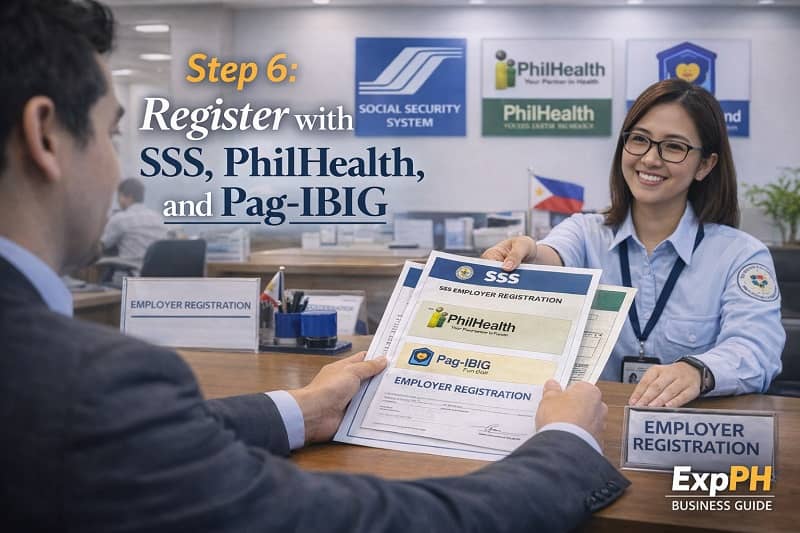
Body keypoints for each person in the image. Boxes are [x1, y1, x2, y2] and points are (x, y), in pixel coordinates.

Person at [0, 1, 628, 531]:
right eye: (113, 134)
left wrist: (303, 408)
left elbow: (131, 440)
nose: (117, 168)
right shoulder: (86, 383)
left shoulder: (66, 389)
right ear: (46, 135)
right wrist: (565, 446)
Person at [484, 79, 785, 408]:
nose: (650, 159)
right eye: (639, 140)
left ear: (705, 165)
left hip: (686, 432)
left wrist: (698, 371)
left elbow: (757, 349)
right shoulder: (585, 232)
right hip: (593, 425)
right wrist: (526, 252)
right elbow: (551, 256)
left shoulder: (740, 255)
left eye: (673, 147)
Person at [100, 177, 167, 263]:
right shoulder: (159, 218)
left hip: (128, 273)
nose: (117, 200)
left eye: (119, 196)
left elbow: (102, 245)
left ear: (129, 197)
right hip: (153, 274)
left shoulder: (120, 218)